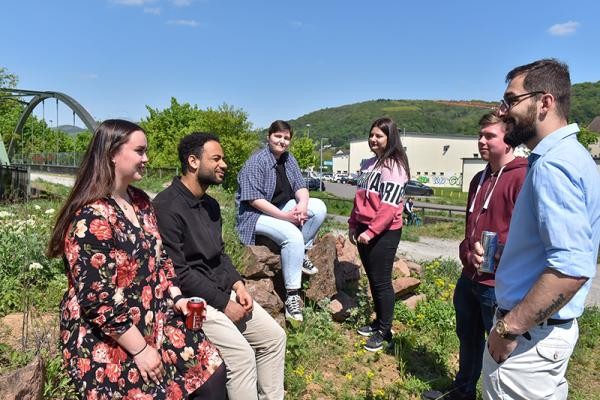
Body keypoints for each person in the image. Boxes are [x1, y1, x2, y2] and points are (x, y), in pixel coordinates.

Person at [47, 119, 226, 400]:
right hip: (111, 336)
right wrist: (141, 350)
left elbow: (161, 257)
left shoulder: (140, 201)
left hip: (153, 316)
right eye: (140, 151)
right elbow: (98, 301)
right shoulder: (91, 217)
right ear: (112, 154)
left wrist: (177, 296)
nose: (147, 158)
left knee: (212, 373)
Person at [481, 59, 600, 399]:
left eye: (511, 100)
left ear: (544, 102)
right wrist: (512, 256)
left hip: (527, 343)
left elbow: (570, 268)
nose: (504, 112)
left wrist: (506, 329)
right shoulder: (573, 156)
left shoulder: (553, 165)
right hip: (543, 337)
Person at [153, 133, 286, 400]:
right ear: (193, 161)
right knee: (242, 357)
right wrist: (225, 303)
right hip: (193, 301)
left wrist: (238, 284)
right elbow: (179, 273)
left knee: (274, 338)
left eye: (222, 158)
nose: (223, 164)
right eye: (216, 158)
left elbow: (220, 255)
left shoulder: (211, 205)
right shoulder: (166, 207)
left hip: (223, 290)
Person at [447, 113, 527, 400]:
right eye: (480, 135)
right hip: (468, 278)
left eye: (489, 135)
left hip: (498, 286)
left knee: (500, 351)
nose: (481, 140)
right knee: (467, 338)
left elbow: (525, 235)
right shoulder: (478, 178)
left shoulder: (522, 176)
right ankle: (463, 391)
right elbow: (469, 228)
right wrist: (467, 251)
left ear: (508, 139)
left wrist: (498, 254)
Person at [235, 120, 327, 322]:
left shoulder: (288, 159)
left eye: (286, 138)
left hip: (282, 209)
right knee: (292, 234)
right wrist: (286, 217)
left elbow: (300, 186)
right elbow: (253, 199)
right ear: (268, 137)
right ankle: (292, 297)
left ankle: (300, 252)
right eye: (278, 136)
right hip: (254, 215)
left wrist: (302, 205)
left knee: (318, 208)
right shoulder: (256, 162)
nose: (282, 141)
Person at [348, 117, 410, 352]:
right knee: (373, 279)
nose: (373, 139)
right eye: (371, 134)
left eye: (379, 136)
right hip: (364, 229)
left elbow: (389, 206)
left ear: (390, 137)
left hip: (383, 232)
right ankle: (378, 323)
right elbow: (359, 197)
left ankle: (385, 331)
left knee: (382, 282)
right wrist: (353, 223)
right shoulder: (368, 164)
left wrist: (372, 232)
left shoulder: (394, 166)